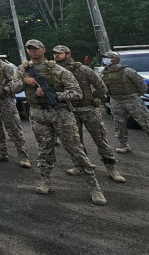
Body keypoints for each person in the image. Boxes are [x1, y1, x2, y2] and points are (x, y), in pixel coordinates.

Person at [11, 39, 107, 205]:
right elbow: (13, 89)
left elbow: (76, 93)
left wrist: (54, 95)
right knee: (44, 149)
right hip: (38, 114)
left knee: (75, 149)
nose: (33, 52)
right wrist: (25, 81)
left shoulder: (57, 69)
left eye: (36, 49)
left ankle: (94, 186)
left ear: (43, 50)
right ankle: (45, 180)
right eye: (30, 49)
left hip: (60, 113)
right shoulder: (22, 70)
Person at [52, 46, 124, 182]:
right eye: (54, 53)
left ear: (68, 54)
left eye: (59, 53)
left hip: (88, 109)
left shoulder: (83, 69)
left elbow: (101, 86)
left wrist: (94, 98)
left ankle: (111, 168)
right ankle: (80, 165)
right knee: (76, 142)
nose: (56, 56)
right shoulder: (54, 71)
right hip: (69, 110)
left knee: (100, 139)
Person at [101, 51, 149, 158]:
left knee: (146, 124)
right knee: (119, 124)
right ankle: (124, 145)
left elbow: (142, 86)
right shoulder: (104, 73)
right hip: (116, 100)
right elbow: (102, 87)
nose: (105, 60)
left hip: (132, 99)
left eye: (107, 57)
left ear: (114, 59)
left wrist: (135, 96)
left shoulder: (127, 71)